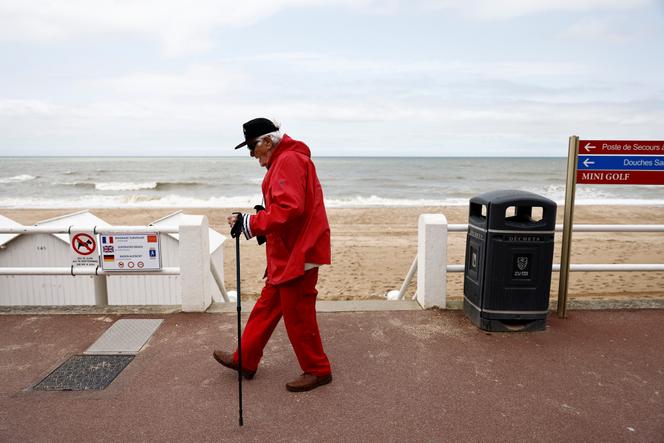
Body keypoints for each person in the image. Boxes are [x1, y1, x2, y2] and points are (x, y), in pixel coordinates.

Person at [213, 117, 332, 392]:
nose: (252, 153)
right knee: (267, 308)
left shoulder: (288, 160)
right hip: (289, 250)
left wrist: (252, 224)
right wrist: (262, 221)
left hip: (298, 251)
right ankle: (245, 358)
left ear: (268, 140)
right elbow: (289, 210)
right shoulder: (287, 159)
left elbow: (290, 209)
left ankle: (318, 370)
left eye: (253, 146)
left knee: (298, 314)